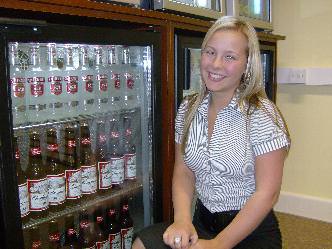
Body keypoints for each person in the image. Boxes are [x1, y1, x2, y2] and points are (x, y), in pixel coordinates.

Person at [132, 15, 291, 249]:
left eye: (230, 57)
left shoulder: (262, 115)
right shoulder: (189, 108)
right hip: (201, 223)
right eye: (210, 52)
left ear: (247, 64)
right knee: (143, 243)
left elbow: (267, 193)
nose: (215, 65)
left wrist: (219, 244)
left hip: (250, 230)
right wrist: (183, 221)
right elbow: (183, 171)